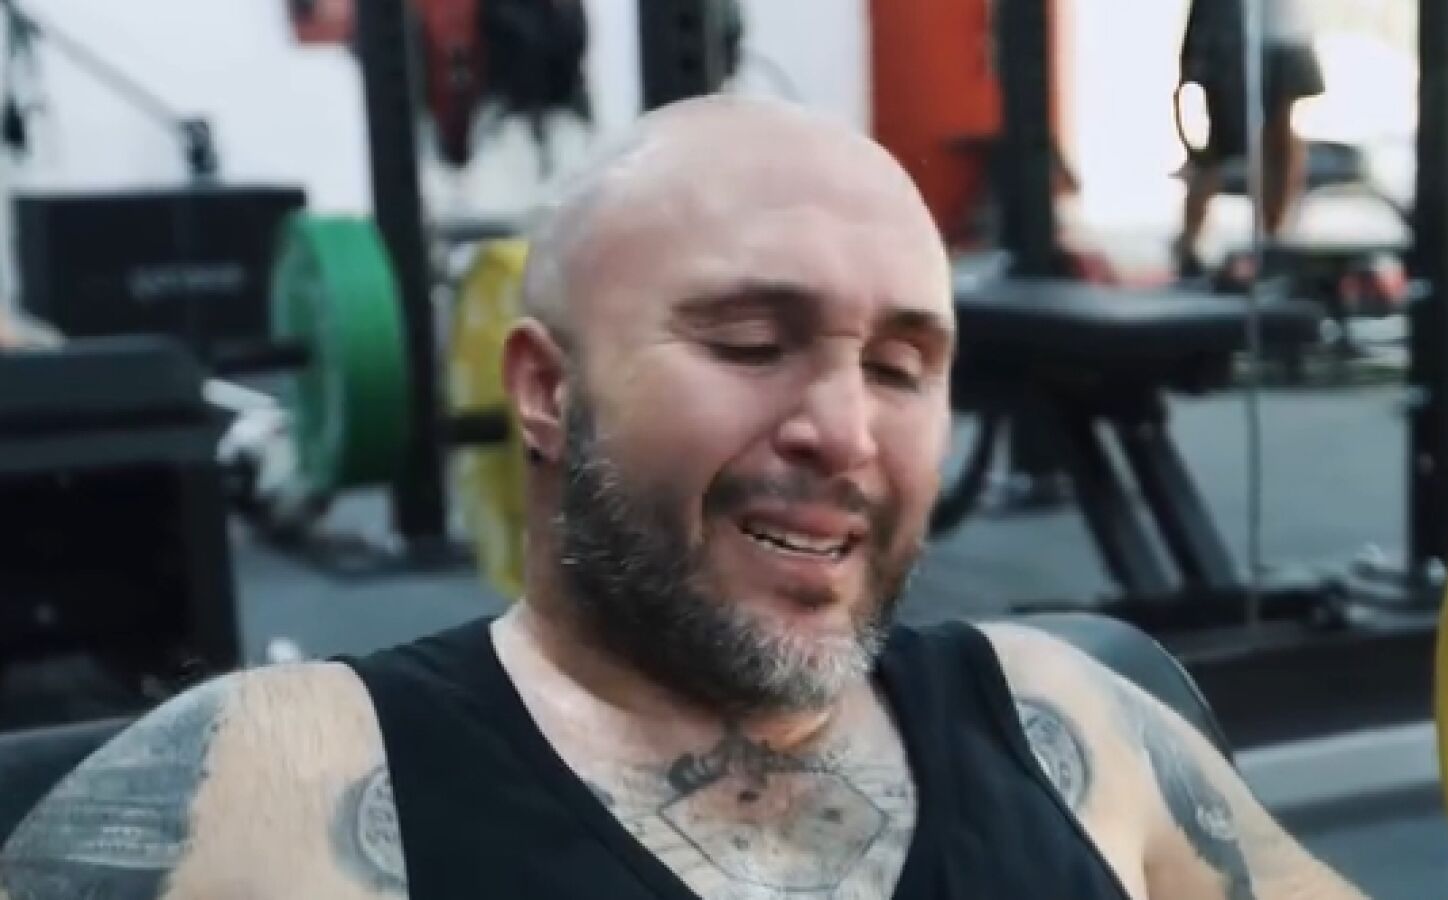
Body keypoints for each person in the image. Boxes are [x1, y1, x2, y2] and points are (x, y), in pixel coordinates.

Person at [0, 95, 1369, 900]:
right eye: (750, 343)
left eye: (901, 366)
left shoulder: (1065, 720)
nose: (845, 432)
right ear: (546, 390)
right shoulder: (285, 775)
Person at [1173, 0, 1326, 278]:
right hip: (1227, 30)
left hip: (1282, 26)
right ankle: (1189, 244)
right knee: (1217, 143)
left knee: (1281, 138)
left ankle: (1272, 241)